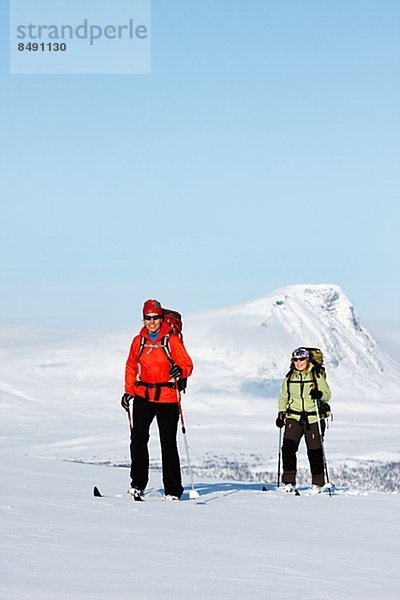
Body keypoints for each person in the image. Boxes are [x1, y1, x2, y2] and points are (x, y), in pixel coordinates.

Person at [121, 299, 193, 501]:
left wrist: (181, 370)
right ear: (143, 319)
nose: (152, 322)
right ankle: (137, 484)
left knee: (168, 443)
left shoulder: (171, 340)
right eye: (148, 318)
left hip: (168, 398)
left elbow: (187, 364)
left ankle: (172, 490)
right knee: (138, 440)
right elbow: (131, 366)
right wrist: (129, 392)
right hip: (143, 395)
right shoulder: (139, 341)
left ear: (161, 319)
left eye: (155, 318)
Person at [276, 347, 331, 493]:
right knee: (288, 449)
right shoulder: (290, 377)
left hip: (313, 418)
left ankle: (318, 484)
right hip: (293, 417)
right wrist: (281, 414)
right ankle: (288, 482)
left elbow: (327, 395)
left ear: (307, 360)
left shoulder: (316, 375)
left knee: (315, 451)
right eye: (295, 360)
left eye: (301, 359)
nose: (298, 362)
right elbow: (283, 397)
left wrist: (318, 394)